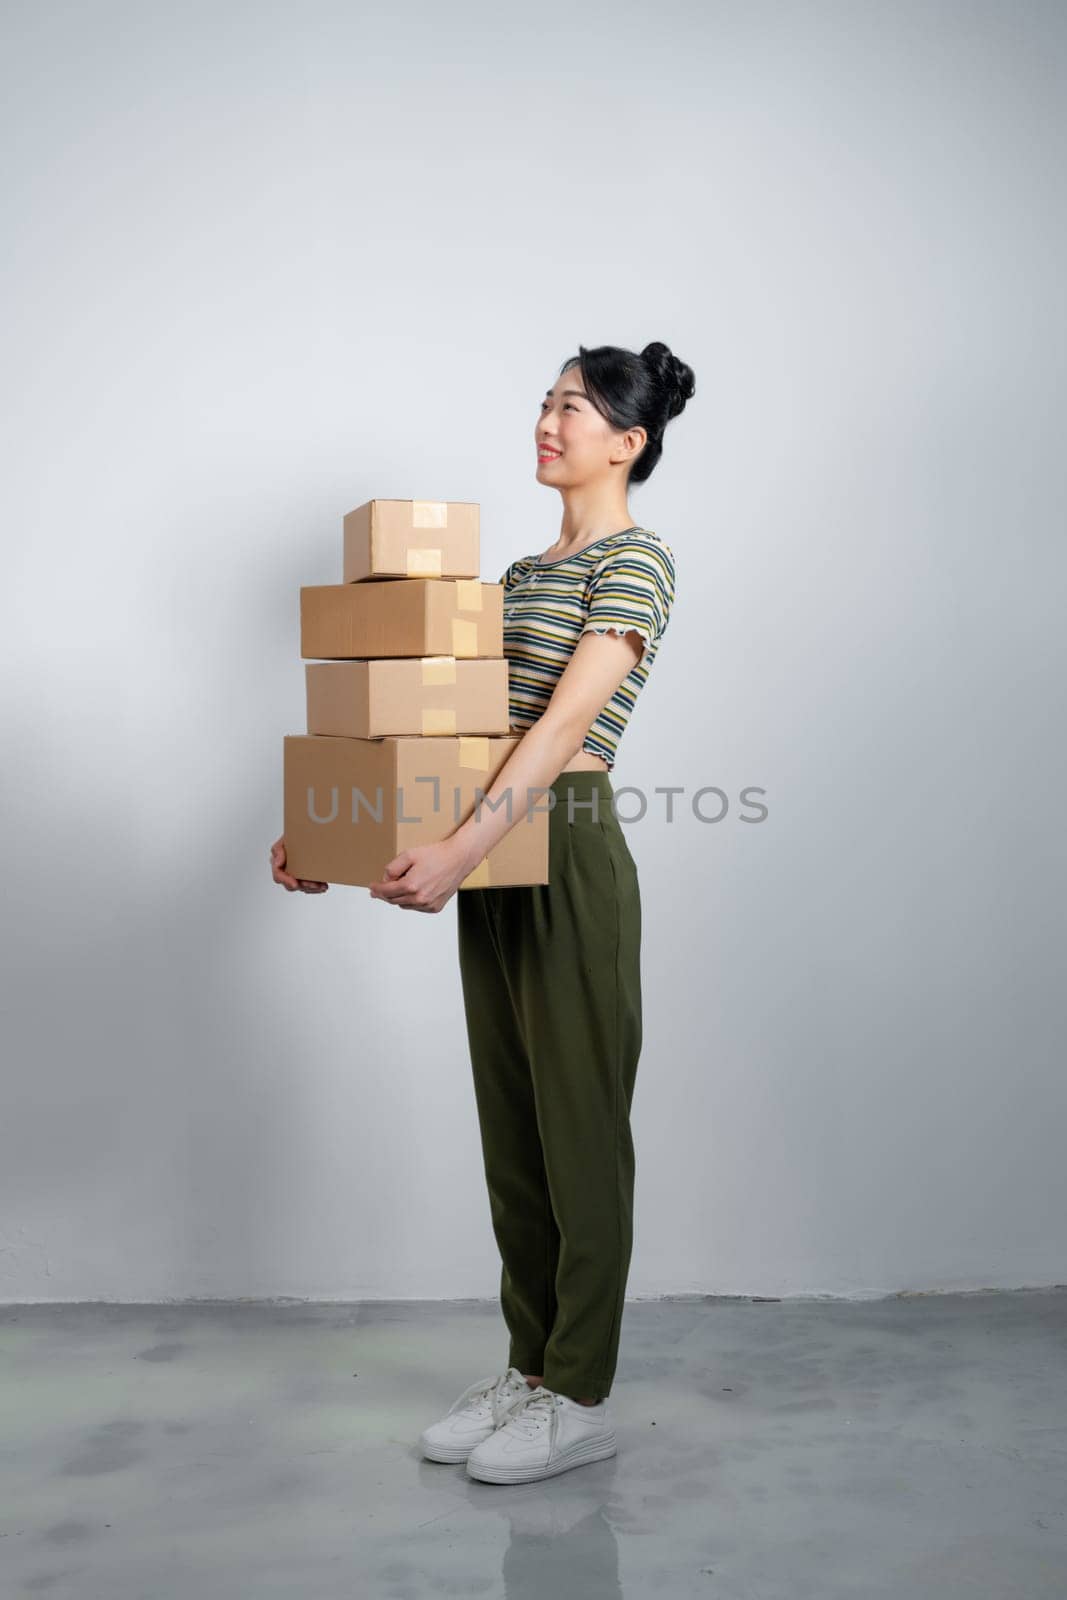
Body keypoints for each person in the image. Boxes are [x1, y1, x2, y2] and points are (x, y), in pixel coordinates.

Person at [271, 340, 694, 1483]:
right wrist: (324, 831)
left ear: (628, 440)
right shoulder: (511, 576)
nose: (548, 422)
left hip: (564, 842)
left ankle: (582, 1387)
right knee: (513, 1126)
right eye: (545, 403)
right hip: (488, 853)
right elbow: (435, 729)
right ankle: (530, 1368)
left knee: (579, 1127)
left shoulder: (638, 560)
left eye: (574, 408)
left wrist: (462, 844)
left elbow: (559, 730)